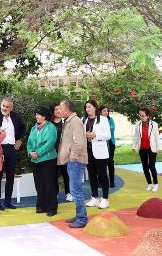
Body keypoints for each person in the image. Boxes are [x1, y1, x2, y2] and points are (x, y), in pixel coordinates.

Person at [57, 99, 88, 228]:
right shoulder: (69, 121)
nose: (59, 110)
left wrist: (72, 157)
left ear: (67, 109)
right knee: (76, 189)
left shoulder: (75, 121)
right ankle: (79, 215)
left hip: (76, 160)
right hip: (73, 160)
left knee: (75, 190)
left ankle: (82, 218)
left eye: (60, 108)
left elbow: (79, 142)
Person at [0, 97, 25, 210]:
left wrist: (20, 140)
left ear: (11, 107)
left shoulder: (15, 117)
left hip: (11, 149)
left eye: (7, 106)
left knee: (10, 176)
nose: (4, 108)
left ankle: (8, 202)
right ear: (1, 105)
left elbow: (22, 129)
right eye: (3, 106)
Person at [27, 106, 58, 216]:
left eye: (39, 114)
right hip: (35, 160)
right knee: (39, 184)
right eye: (36, 114)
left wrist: (38, 153)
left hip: (48, 159)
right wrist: (30, 152)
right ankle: (41, 206)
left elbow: (50, 143)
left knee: (49, 184)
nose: (36, 116)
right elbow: (29, 142)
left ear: (44, 116)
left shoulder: (51, 127)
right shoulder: (33, 128)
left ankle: (51, 208)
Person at [83, 97, 111, 209]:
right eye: (86, 107)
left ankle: (105, 199)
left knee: (102, 175)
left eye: (89, 107)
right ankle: (94, 197)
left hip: (100, 151)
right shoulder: (84, 120)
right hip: (88, 151)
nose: (87, 109)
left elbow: (108, 136)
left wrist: (95, 135)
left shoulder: (103, 120)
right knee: (92, 175)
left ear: (95, 108)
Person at [132, 107, 162, 191]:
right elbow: (136, 136)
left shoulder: (154, 124)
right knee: (145, 167)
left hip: (152, 148)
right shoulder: (138, 124)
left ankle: (155, 183)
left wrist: (159, 147)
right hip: (142, 148)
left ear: (148, 116)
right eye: (140, 115)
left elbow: (157, 137)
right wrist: (133, 146)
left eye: (143, 116)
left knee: (151, 166)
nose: (141, 117)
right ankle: (149, 184)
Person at [49, 102, 71, 201]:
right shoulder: (49, 123)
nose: (58, 111)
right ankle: (55, 192)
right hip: (52, 152)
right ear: (52, 112)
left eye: (59, 109)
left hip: (64, 152)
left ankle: (68, 193)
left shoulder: (66, 121)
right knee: (53, 174)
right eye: (55, 109)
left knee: (66, 173)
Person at [100, 105, 116, 188]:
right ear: (100, 112)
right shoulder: (98, 120)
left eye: (107, 111)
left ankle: (112, 181)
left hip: (110, 143)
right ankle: (101, 181)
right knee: (101, 163)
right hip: (101, 144)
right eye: (104, 111)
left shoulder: (110, 119)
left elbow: (112, 130)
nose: (106, 112)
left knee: (110, 162)